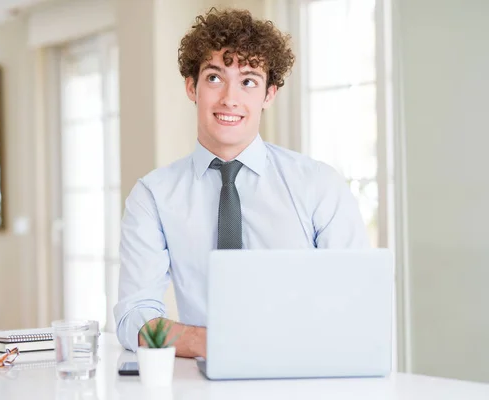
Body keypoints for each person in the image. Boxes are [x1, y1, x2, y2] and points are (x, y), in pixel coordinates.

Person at [114, 8, 369, 357]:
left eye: (248, 81)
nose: (229, 99)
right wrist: (215, 343)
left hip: (304, 375)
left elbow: (356, 302)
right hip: (202, 380)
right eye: (215, 78)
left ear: (269, 94)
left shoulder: (319, 186)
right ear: (192, 87)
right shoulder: (153, 197)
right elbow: (134, 319)